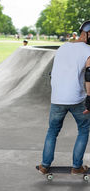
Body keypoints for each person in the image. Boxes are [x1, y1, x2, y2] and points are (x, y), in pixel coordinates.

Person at [38, 20, 90, 175]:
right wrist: (89, 98)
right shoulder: (88, 50)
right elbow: (89, 74)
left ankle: (44, 165)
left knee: (52, 130)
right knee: (84, 128)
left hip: (57, 98)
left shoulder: (63, 47)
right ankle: (77, 167)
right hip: (76, 99)